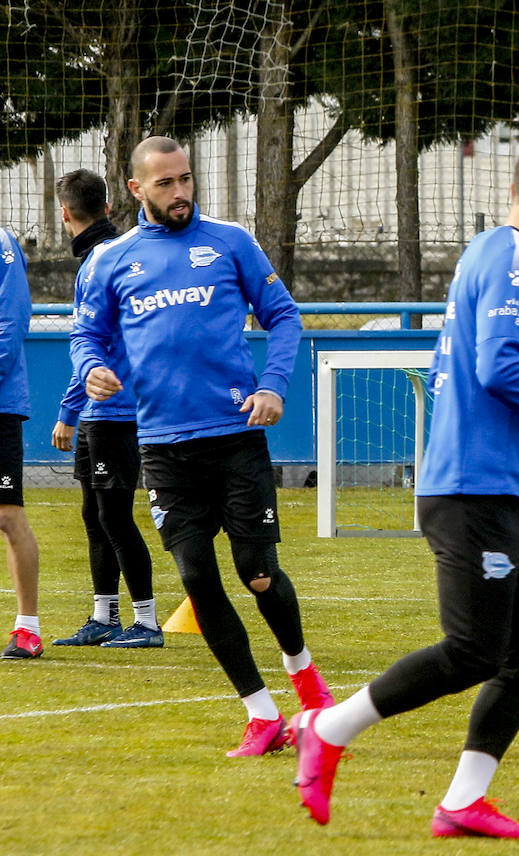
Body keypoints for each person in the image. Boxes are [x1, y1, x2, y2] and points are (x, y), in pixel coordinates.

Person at [291, 136, 519, 839]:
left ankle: (463, 801)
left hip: (507, 491)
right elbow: (497, 369)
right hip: (474, 490)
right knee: (472, 651)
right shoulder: (515, 257)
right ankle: (329, 728)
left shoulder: (493, 255)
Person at [70, 136, 333, 753]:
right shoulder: (112, 260)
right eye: (165, 183)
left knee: (258, 573)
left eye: (186, 179)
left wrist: (273, 386)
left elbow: (284, 316)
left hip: (236, 438)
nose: (181, 192)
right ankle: (262, 715)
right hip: (162, 448)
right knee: (198, 581)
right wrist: (89, 370)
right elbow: (86, 334)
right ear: (136, 189)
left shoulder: (230, 242)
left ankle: (311, 690)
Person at [50, 169, 162, 649]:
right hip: (104, 413)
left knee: (115, 516)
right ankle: (103, 616)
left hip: (115, 410)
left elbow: (95, 344)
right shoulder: (110, 255)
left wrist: (68, 410)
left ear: (65, 214)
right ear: (110, 207)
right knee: (94, 516)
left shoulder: (101, 261)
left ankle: (148, 621)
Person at [0, 226, 41, 660]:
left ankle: (27, 627)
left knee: (8, 516)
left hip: (0, 404)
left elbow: (11, 321)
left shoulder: (1, 244)